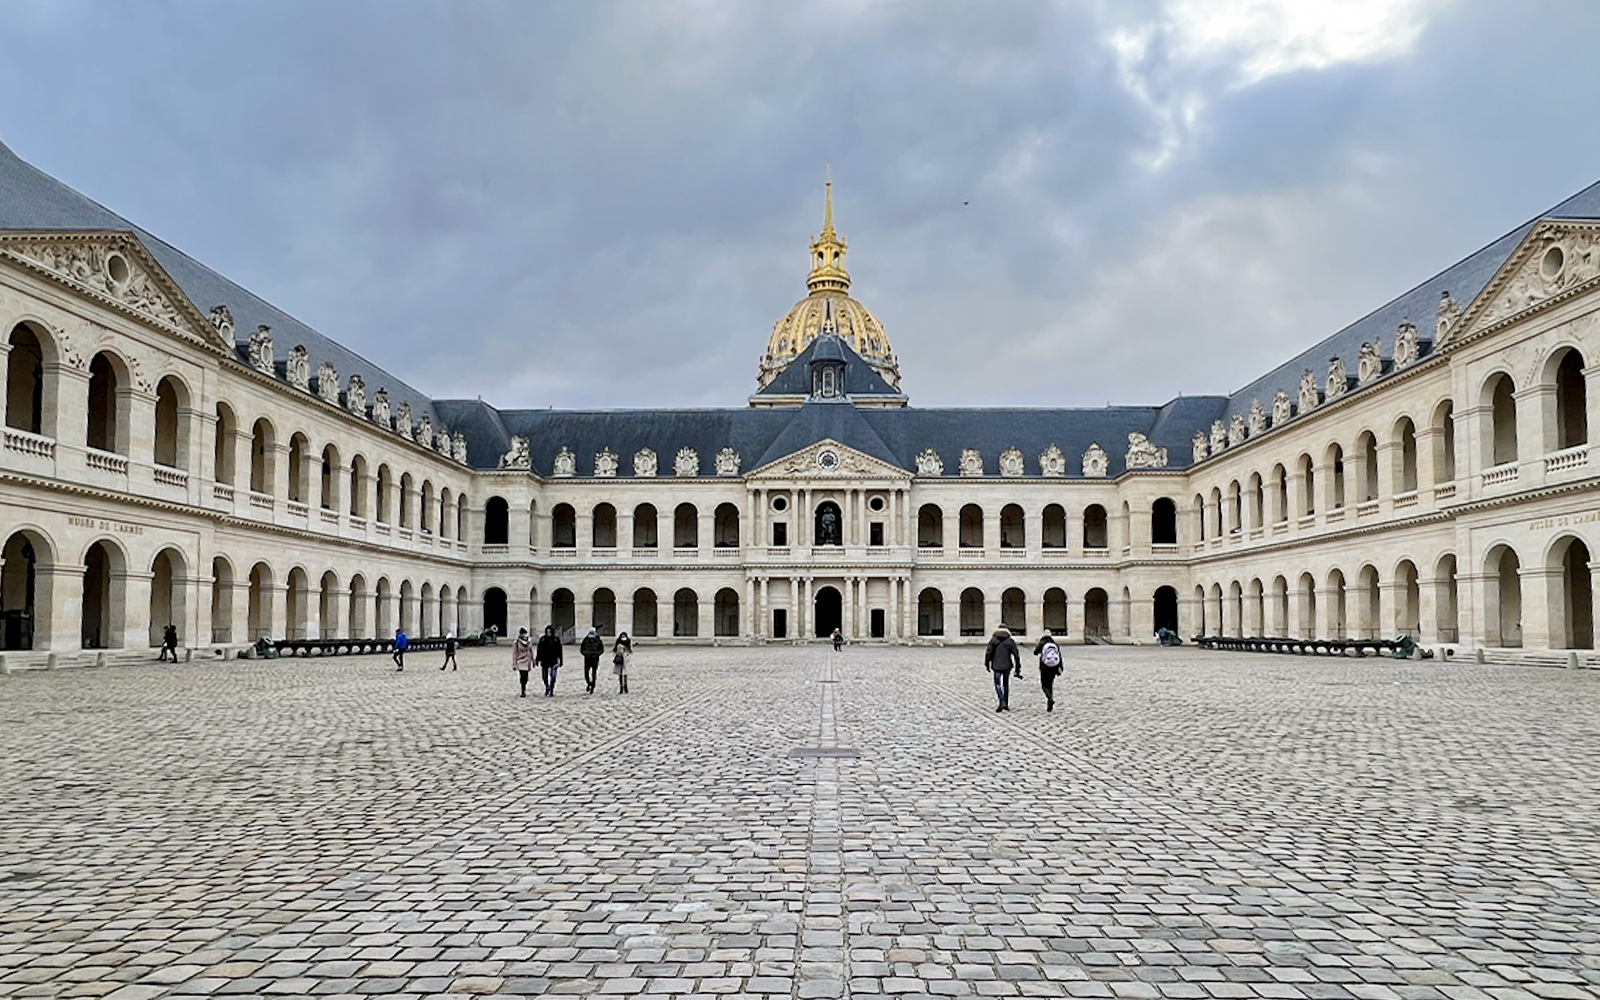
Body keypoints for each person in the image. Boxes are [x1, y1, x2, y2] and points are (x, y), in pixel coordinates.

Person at [984, 625, 1020, 712]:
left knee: (997, 684)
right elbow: (1016, 655)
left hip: (996, 665)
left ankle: (1002, 701)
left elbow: (988, 653)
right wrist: (1017, 668)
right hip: (1007, 665)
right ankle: (1006, 703)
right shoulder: (1010, 641)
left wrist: (987, 664)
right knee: (1006, 684)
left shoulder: (993, 640)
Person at [1033, 628, 1062, 712]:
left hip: (1044, 667)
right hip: (1054, 667)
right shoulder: (1054, 644)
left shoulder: (1042, 643)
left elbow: (1035, 652)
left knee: (1044, 685)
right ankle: (1050, 704)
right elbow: (1059, 656)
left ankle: (1049, 698)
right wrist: (1060, 667)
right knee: (1050, 684)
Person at [536, 625, 563, 697]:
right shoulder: (543, 639)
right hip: (545, 660)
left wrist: (561, 660)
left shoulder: (556, 639)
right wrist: (537, 659)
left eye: (550, 632)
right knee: (544, 676)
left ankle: (551, 689)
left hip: (553, 660)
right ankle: (547, 686)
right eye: (547, 632)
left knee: (553, 676)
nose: (548, 633)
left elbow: (560, 651)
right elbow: (539, 650)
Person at [579, 627, 604, 695]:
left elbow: (601, 649)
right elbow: (582, 649)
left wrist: (596, 654)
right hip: (587, 659)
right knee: (586, 673)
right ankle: (589, 683)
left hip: (595, 659)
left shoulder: (598, 640)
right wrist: (586, 654)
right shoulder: (585, 640)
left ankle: (593, 686)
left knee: (594, 674)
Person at [511, 627, 533, 697]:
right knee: (522, 675)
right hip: (520, 660)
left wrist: (533, 660)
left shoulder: (529, 641)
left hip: (527, 660)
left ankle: (524, 686)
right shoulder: (516, 642)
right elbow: (515, 653)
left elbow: (530, 651)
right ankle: (522, 690)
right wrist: (514, 664)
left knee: (526, 676)